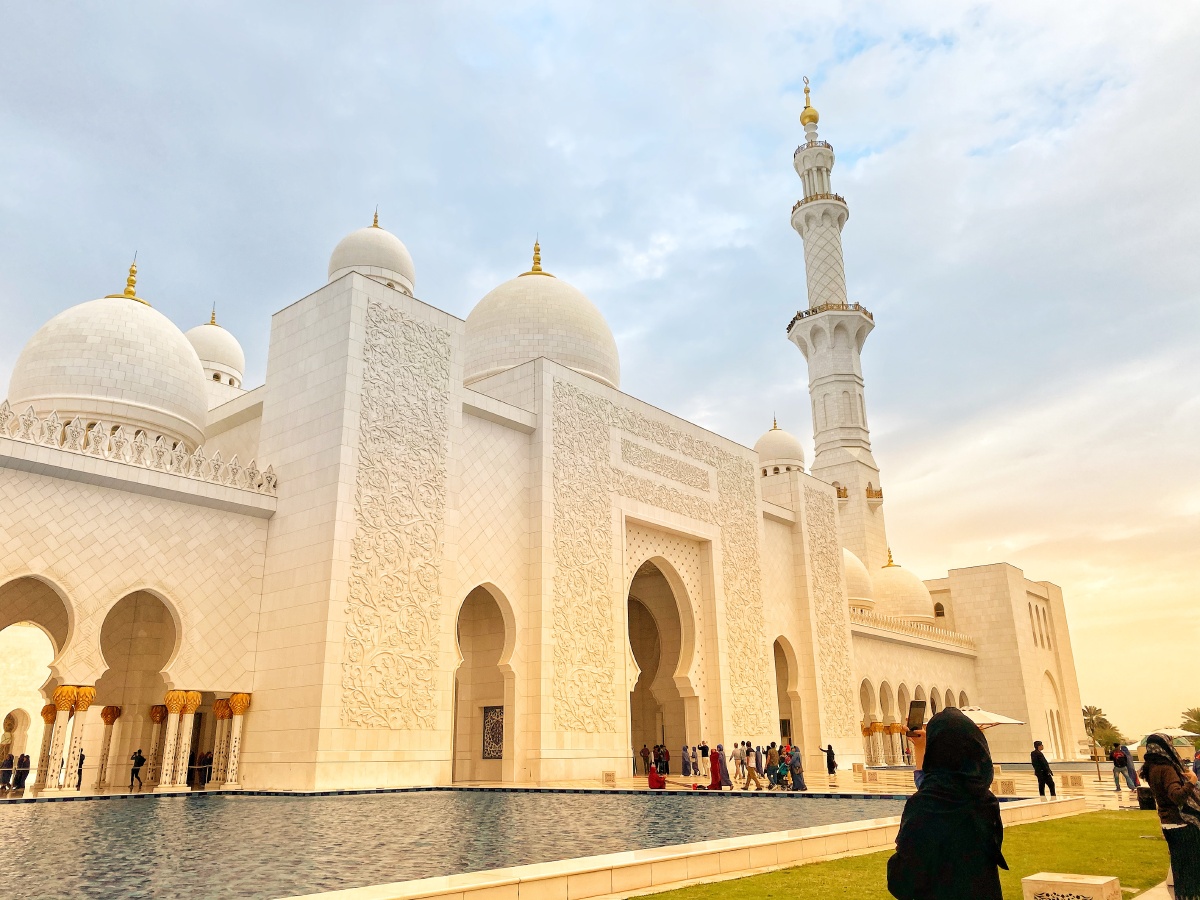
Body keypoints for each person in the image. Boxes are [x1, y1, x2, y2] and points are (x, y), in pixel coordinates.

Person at [887, 708, 1007, 900]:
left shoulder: (926, 806)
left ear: (937, 752)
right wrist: (921, 748)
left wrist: (898, 857)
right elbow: (936, 785)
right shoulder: (985, 801)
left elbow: (903, 883)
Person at [1140, 732, 1200, 900]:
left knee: (1180, 870)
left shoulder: (1151, 768)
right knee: (1191, 870)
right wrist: (1192, 782)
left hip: (1168, 824)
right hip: (1182, 824)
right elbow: (1176, 796)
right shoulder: (1166, 769)